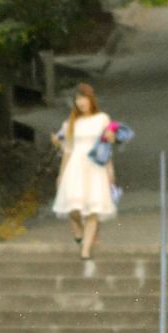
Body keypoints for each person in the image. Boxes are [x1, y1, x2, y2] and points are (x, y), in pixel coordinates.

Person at [52, 84, 116, 260]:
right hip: (75, 167)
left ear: (91, 99)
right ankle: (79, 232)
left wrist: (111, 137)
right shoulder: (71, 123)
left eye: (84, 98)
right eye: (78, 99)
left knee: (93, 209)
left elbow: (108, 144)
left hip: (95, 167)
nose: (81, 102)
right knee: (73, 208)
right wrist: (61, 174)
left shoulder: (102, 118)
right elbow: (68, 150)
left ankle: (85, 249)